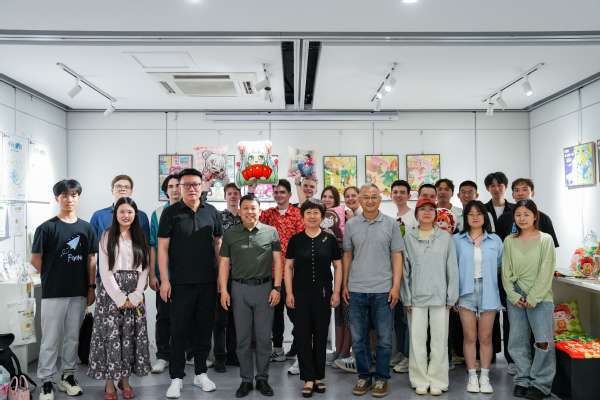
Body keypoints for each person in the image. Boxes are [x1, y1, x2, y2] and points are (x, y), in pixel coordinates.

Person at [158, 168, 223, 398]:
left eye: (195, 184)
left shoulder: (212, 212)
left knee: (204, 330)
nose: (191, 188)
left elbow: (218, 244)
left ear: (202, 186)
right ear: (180, 187)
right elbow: (162, 248)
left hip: (207, 282)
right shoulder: (170, 213)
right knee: (179, 331)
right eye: (186, 185)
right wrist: (165, 280)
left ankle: (200, 374)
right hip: (180, 283)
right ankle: (176, 378)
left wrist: (220, 277)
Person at [31, 180, 99, 400]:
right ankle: (46, 381)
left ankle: (67, 377)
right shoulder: (46, 228)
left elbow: (91, 259)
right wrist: (54, 276)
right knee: (50, 339)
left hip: (78, 292)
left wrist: (91, 287)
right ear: (57, 198)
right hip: (53, 292)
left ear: (79, 197)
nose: (69, 199)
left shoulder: (86, 228)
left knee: (72, 338)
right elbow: (35, 259)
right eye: (64, 195)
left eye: (73, 195)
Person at [342, 183, 405, 398]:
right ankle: (364, 377)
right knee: (359, 339)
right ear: (360, 200)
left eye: (374, 196)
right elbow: (347, 255)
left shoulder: (391, 224)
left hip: (383, 290)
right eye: (366, 197)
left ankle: (382, 379)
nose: (370, 200)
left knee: (384, 340)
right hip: (357, 290)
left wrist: (395, 286)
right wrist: (344, 284)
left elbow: (397, 256)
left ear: (380, 199)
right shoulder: (351, 225)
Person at [219, 194, 282, 398]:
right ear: (239, 211)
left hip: (265, 289)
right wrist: (224, 290)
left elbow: (278, 261)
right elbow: (224, 263)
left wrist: (277, 288)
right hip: (239, 289)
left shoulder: (271, 232)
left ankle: (262, 378)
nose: (249, 212)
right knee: (243, 339)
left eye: (253, 208)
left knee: (263, 339)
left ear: (259, 211)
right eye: (245, 208)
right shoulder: (230, 234)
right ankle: (246, 380)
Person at [87, 197, 151, 399]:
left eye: (130, 212)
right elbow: (105, 271)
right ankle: (109, 382)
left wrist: (136, 294)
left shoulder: (140, 235)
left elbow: (145, 267)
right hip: (111, 294)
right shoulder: (107, 236)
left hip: (135, 294)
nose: (126, 216)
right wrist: (119, 298)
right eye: (122, 211)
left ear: (135, 215)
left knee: (129, 338)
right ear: (115, 214)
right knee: (111, 338)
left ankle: (125, 380)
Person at [495, 178, 558, 377]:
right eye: (518, 215)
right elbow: (506, 270)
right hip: (516, 296)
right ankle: (522, 378)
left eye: (527, 214)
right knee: (516, 341)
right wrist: (512, 295)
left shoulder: (545, 239)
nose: (522, 218)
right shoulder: (509, 240)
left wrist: (534, 296)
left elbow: (546, 270)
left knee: (543, 340)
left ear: (535, 216)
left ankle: (541, 382)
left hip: (539, 295)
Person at [401, 196, 459, 396]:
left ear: (436, 214)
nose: (427, 212)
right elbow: (405, 272)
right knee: (417, 340)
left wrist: (451, 296)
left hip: (440, 297)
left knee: (439, 341)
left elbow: (452, 268)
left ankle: (438, 380)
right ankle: (419, 379)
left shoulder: (445, 238)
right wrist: (407, 297)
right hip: (416, 298)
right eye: (422, 209)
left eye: (431, 209)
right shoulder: (408, 238)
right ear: (416, 213)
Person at [284, 198, 342, 397]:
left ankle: (318, 377)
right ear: (303, 216)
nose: (312, 216)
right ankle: (308, 378)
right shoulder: (295, 240)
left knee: (320, 335)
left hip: (323, 292)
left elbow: (338, 266)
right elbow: (288, 267)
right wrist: (289, 292)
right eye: (308, 212)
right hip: (300, 292)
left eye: (316, 212)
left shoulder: (330, 239)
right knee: (302, 335)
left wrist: (336, 292)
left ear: (322, 216)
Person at [453, 200, 504, 394]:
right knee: (470, 336)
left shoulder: (495, 240)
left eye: (479, 213)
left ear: (485, 216)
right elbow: (452, 267)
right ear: (465, 217)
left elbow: (500, 266)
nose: (475, 217)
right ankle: (472, 376)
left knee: (485, 337)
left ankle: (485, 376)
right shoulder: (457, 240)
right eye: (471, 214)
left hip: (488, 291)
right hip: (465, 291)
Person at [253, 180, 305, 364]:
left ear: (290, 194)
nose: (279, 195)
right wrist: (252, 190)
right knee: (275, 314)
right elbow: (252, 215)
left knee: (295, 313)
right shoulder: (268, 214)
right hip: (271, 273)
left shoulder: (298, 214)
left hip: (292, 273)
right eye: (276, 192)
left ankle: (299, 348)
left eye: (282, 192)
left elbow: (302, 242)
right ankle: (277, 349)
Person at [149, 174, 194, 373]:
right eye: (171, 186)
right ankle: (162, 356)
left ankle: (191, 354)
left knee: (190, 316)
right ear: (165, 191)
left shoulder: (192, 210)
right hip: (164, 275)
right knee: (164, 317)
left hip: (187, 275)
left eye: (178, 185)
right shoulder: (158, 214)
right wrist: (153, 274)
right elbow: (153, 246)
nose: (175, 189)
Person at [90, 175, 150, 294]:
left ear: (131, 191)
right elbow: (90, 252)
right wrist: (90, 283)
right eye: (118, 186)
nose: (122, 189)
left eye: (126, 187)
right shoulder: (98, 216)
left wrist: (145, 276)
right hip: (105, 277)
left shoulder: (141, 216)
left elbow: (146, 249)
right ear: (112, 190)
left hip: (134, 279)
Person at [328, 187, 361, 369]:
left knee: (347, 309)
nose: (350, 198)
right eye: (347, 196)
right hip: (336, 268)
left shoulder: (352, 217)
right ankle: (339, 350)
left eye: (353, 195)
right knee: (338, 310)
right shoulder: (328, 217)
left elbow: (351, 245)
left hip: (351, 268)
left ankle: (346, 352)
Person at [213, 182, 243, 373]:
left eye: (235, 193)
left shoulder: (245, 217)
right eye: (229, 193)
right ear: (224, 196)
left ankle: (233, 354)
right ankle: (219, 357)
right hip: (222, 273)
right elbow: (215, 243)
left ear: (239, 195)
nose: (232, 196)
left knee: (235, 318)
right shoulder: (218, 216)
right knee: (220, 319)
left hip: (241, 274)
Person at [389, 180, 413, 373]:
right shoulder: (391, 220)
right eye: (395, 192)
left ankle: (408, 356)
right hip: (394, 272)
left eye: (402, 192)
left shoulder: (415, 216)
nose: (398, 195)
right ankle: (400, 352)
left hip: (411, 272)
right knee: (397, 317)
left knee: (407, 317)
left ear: (409, 195)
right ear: (391, 195)